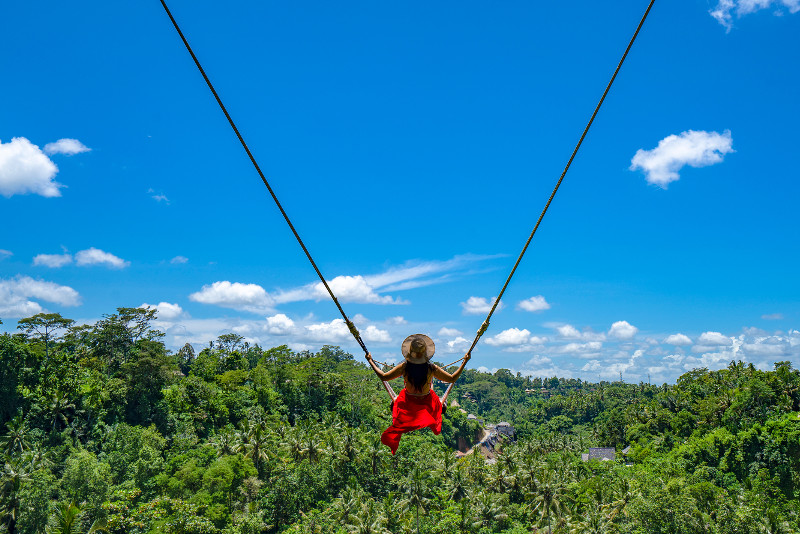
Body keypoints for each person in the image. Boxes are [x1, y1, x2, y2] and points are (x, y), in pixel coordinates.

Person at [366, 333, 470, 454]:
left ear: (410, 353)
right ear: (425, 353)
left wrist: (370, 361)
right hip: (427, 403)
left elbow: (384, 376)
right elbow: (452, 378)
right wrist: (465, 362)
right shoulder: (431, 368)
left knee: (395, 403)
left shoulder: (404, 367)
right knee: (440, 403)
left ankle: (400, 402)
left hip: (407, 402)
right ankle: (440, 402)